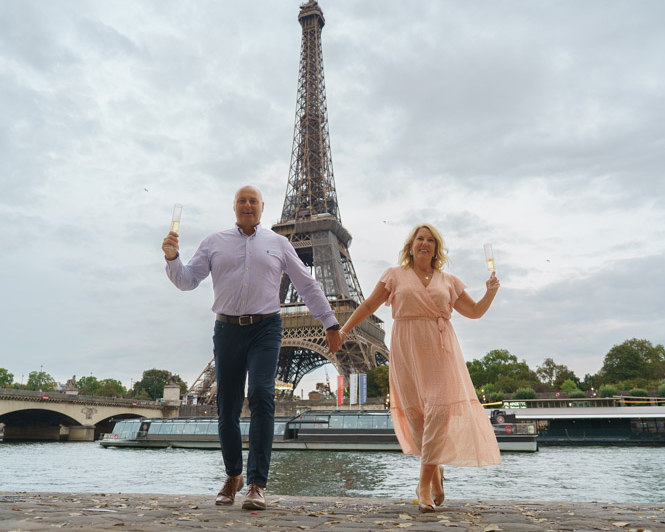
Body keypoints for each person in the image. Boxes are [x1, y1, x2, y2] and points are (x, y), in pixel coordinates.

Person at [162, 185, 342, 510]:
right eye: (242, 200)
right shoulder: (214, 242)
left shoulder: (279, 243)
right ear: (234, 207)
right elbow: (188, 280)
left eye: (253, 200)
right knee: (227, 408)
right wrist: (173, 258)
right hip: (227, 328)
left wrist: (329, 322)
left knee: (262, 394)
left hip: (266, 327)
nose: (247, 205)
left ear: (262, 207)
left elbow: (306, 283)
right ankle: (234, 476)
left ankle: (257, 483)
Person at [338, 224, 501, 512]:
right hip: (406, 349)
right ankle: (435, 475)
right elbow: (368, 306)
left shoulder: (448, 280)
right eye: (419, 239)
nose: (424, 244)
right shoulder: (394, 275)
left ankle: (423, 485)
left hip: (441, 350)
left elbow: (474, 312)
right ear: (410, 246)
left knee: (439, 413)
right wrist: (342, 331)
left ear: (436, 248)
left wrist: (490, 293)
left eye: (430, 240)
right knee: (416, 418)